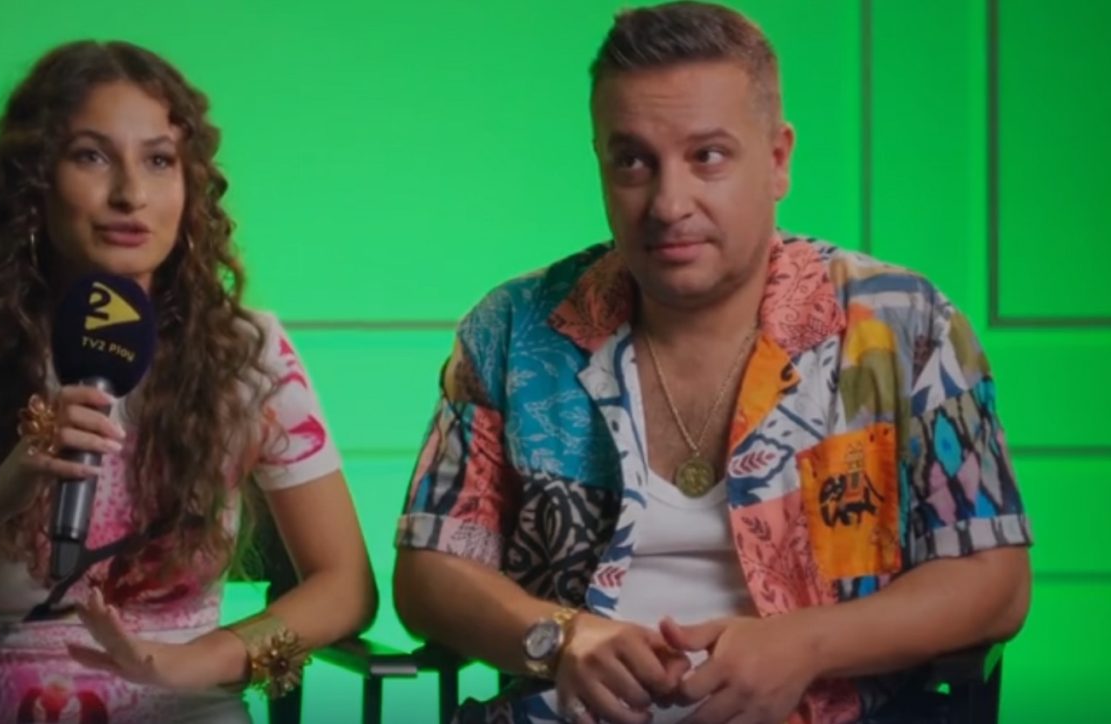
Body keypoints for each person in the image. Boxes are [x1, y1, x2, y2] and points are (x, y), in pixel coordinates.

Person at [392, 3, 1032, 722]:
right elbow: (429, 571)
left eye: (708, 156)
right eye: (633, 160)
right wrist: (560, 636)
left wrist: (806, 645)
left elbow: (995, 579)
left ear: (778, 159)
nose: (669, 204)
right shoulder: (512, 329)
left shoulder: (904, 325)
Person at [0, 40, 376, 723]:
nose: (130, 194)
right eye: (91, 156)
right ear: (34, 182)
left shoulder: (248, 354)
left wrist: (196, 660)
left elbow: (346, 585)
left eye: (159, 160)